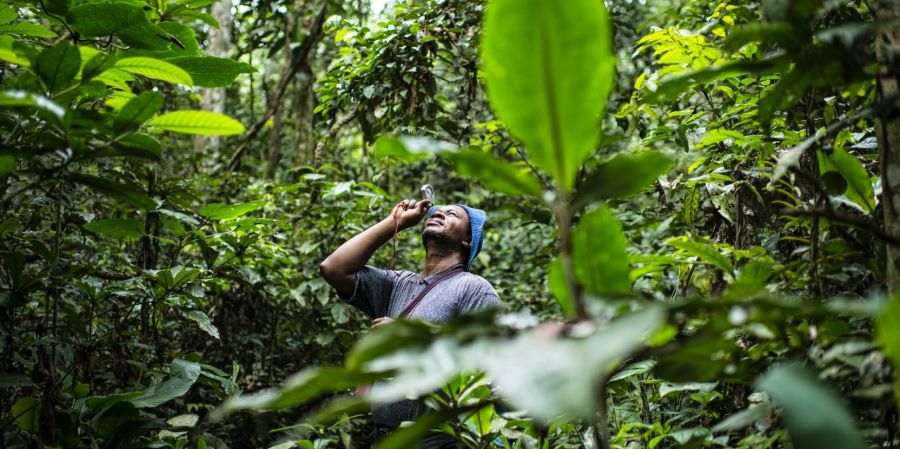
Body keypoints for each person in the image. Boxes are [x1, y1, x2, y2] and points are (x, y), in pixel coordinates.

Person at [319, 198, 502, 448]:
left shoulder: (474, 289)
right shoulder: (398, 284)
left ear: (468, 240)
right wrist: (395, 222)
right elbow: (333, 269)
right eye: (437, 213)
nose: (439, 214)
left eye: (452, 215)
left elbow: (489, 366)